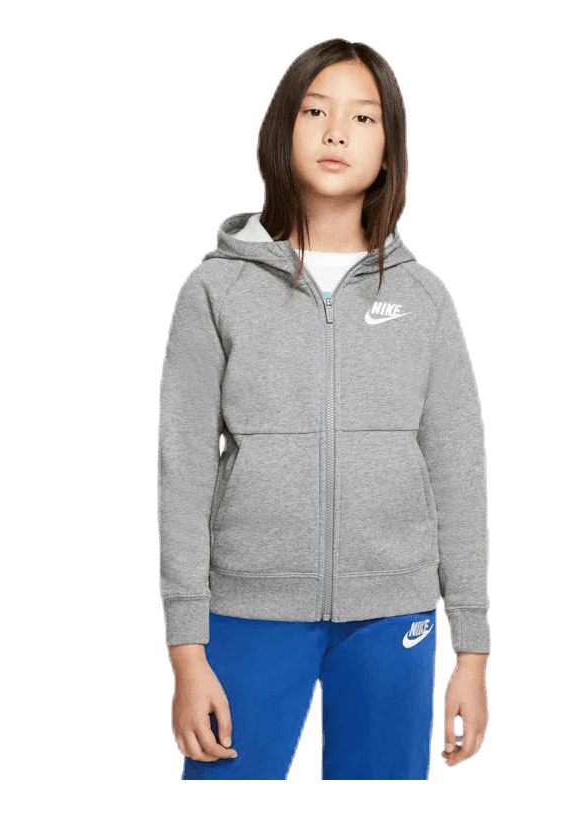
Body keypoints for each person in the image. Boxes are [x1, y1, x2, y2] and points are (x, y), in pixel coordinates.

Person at [158, 38, 490, 782]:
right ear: (280, 130)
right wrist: (184, 648)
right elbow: (181, 473)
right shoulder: (215, 288)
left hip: (394, 611)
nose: (337, 132)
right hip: (247, 608)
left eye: (363, 117)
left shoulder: (426, 298)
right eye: (315, 111)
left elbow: (460, 476)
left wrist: (472, 652)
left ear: (389, 147)